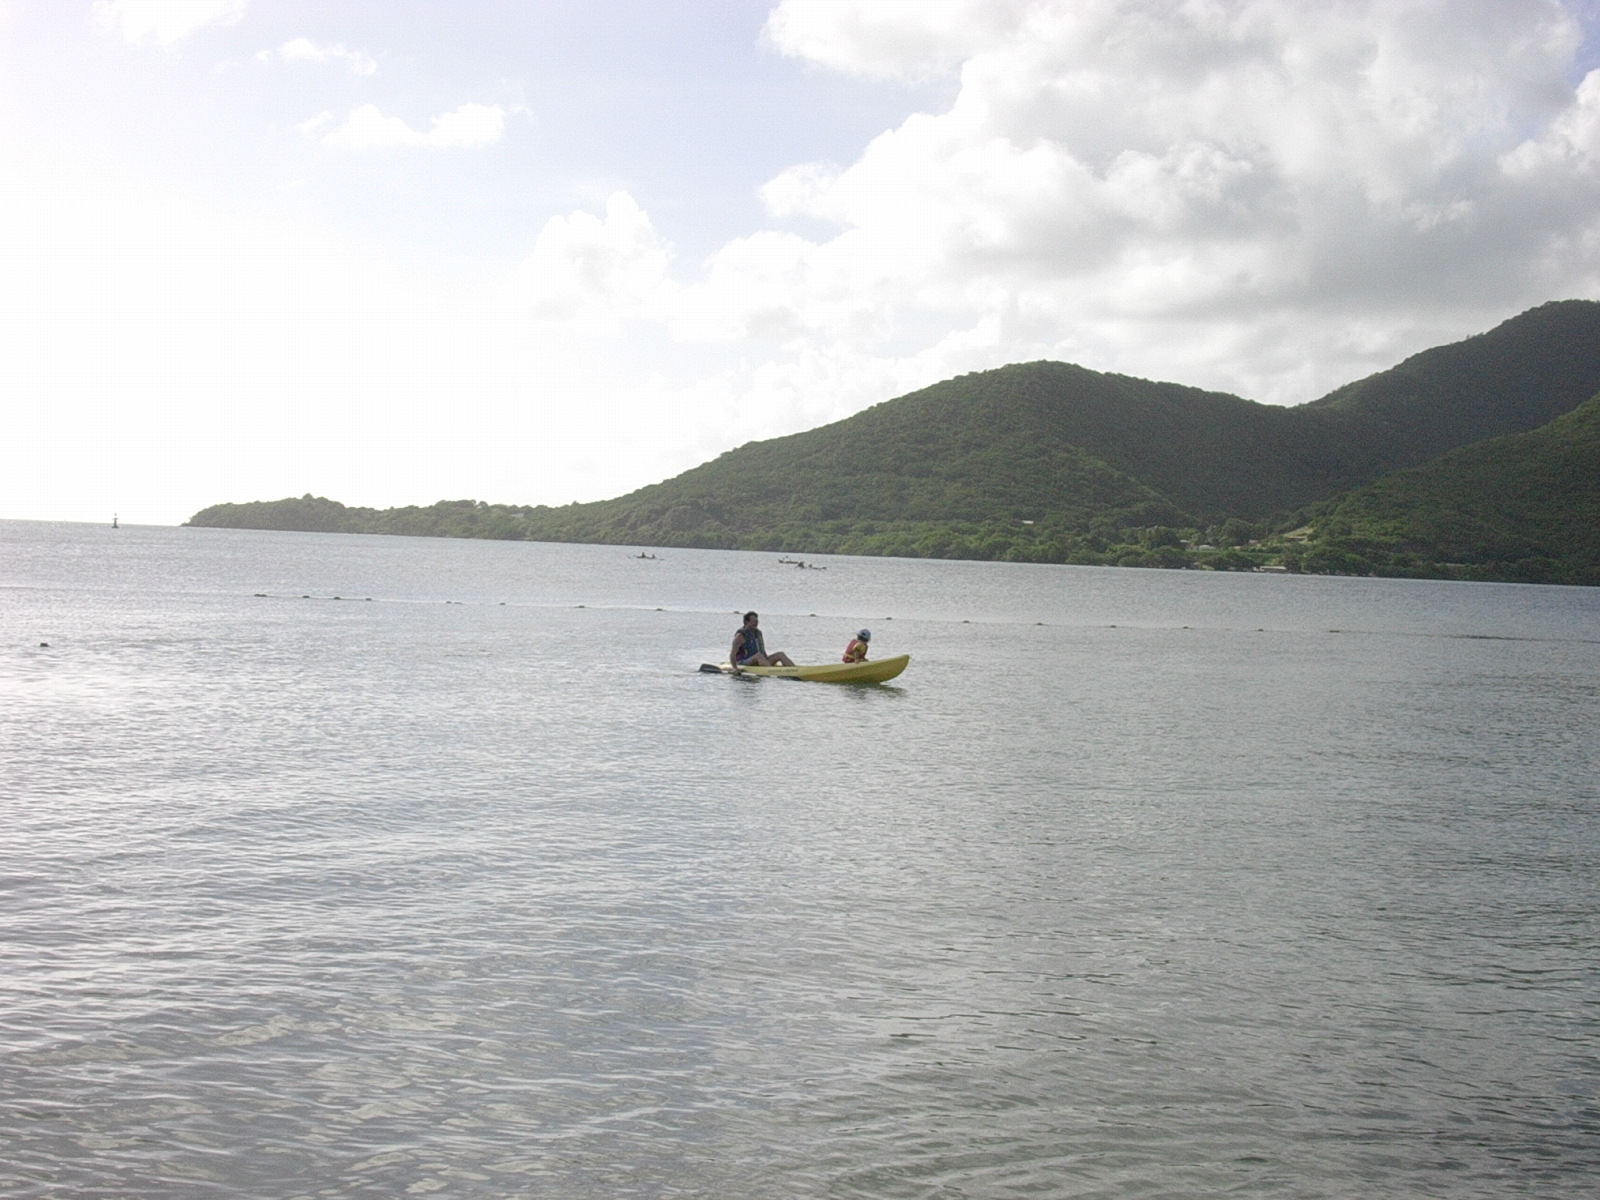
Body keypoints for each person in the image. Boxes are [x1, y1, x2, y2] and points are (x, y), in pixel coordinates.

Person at [730, 611, 795, 668]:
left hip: (760, 659)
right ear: (746, 622)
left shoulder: (758, 633)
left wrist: (766, 660)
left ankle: (795, 670)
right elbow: (732, 654)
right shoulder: (740, 636)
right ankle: (772, 671)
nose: (755, 623)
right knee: (758, 656)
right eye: (753, 621)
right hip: (743, 662)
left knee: (780, 654)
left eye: (756, 621)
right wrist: (735, 668)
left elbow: (762, 650)